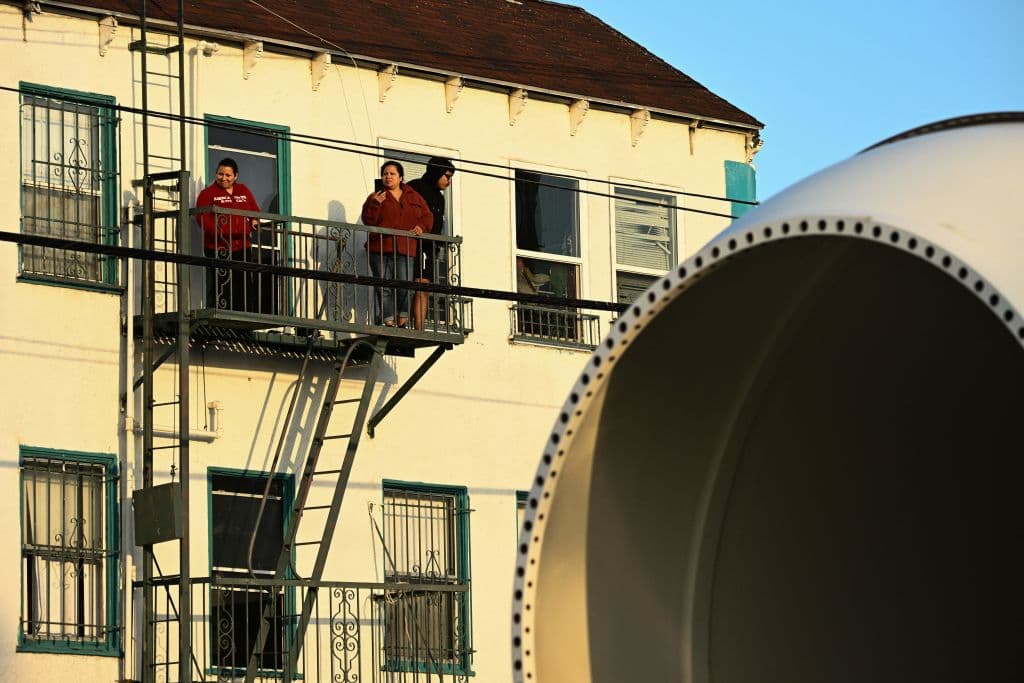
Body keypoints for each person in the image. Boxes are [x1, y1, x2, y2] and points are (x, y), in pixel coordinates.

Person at [361, 160, 433, 328]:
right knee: (383, 285)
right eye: (385, 174)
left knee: (404, 285)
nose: (388, 177)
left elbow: (428, 216)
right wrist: (375, 204)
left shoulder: (413, 196)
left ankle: (402, 318)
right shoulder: (375, 196)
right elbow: (368, 221)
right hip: (379, 247)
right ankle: (388, 319)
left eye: (392, 173)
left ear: (400, 177)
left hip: (405, 247)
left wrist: (421, 227)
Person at [195, 157, 260, 312]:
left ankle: (245, 317)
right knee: (222, 285)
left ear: (236, 176)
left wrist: (254, 221)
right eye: (220, 174)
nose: (223, 178)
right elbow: (202, 218)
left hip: (242, 246)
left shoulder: (243, 190)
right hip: (218, 247)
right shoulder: (207, 194)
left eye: (228, 175)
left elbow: (254, 210)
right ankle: (221, 316)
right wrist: (221, 233)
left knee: (244, 285)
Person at [407, 157, 455, 330]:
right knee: (406, 284)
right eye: (447, 176)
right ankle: (402, 323)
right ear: (436, 173)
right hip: (412, 244)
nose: (449, 181)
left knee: (423, 286)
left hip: (429, 247)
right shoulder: (414, 188)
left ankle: (418, 328)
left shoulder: (440, 198)